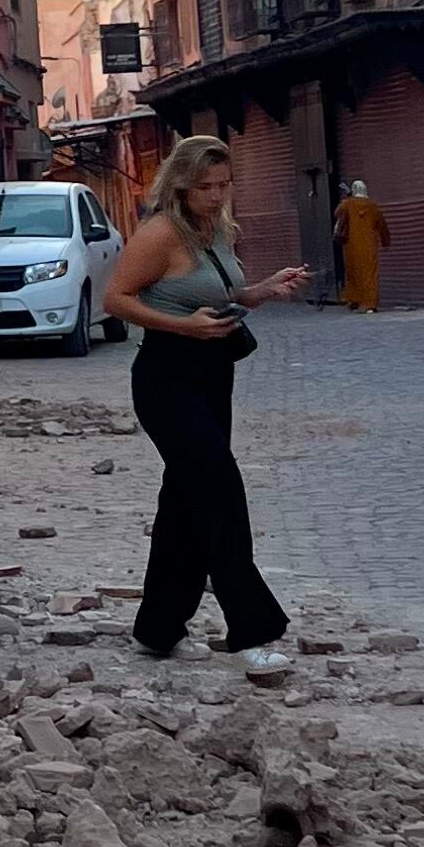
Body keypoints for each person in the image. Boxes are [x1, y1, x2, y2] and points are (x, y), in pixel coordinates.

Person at [103, 135, 309, 656]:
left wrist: (263, 290)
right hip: (167, 377)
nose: (216, 196)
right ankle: (254, 629)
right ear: (180, 185)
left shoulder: (214, 229)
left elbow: (219, 293)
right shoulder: (159, 233)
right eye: (205, 187)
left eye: (224, 185)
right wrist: (182, 325)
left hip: (213, 375)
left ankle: (159, 628)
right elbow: (115, 299)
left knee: (184, 500)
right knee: (219, 493)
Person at [335, 176, 391, 312]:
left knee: (353, 273)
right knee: (370, 275)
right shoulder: (372, 206)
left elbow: (337, 213)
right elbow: (382, 225)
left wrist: (348, 197)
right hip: (369, 246)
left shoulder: (347, 204)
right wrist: (385, 241)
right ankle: (370, 304)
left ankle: (354, 300)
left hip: (351, 246)